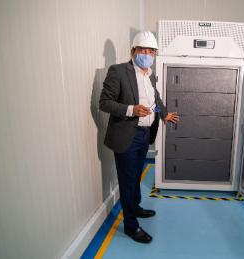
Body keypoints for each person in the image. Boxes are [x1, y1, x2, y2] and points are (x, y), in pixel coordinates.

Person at [99, 31, 178, 243]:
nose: (146, 54)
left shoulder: (150, 73)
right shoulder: (118, 72)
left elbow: (156, 96)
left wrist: (163, 113)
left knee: (136, 177)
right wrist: (131, 110)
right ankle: (131, 227)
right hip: (127, 135)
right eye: (142, 50)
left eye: (150, 51)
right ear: (133, 51)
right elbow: (104, 102)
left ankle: (136, 208)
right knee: (126, 181)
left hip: (145, 134)